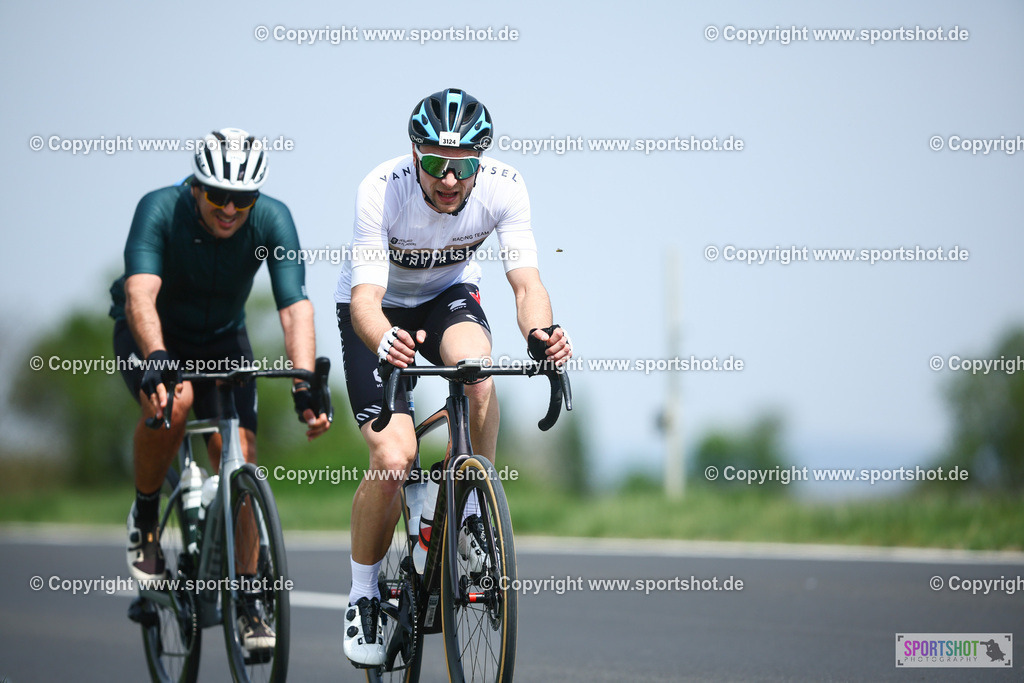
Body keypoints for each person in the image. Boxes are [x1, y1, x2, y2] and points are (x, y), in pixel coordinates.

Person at [334, 88, 572, 667]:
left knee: (478, 374)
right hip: (377, 310)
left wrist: (540, 334)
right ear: (414, 154)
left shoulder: (504, 187)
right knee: (395, 458)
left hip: (447, 296)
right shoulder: (380, 190)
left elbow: (526, 284)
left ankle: (469, 513)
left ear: (479, 163)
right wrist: (385, 338)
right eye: (434, 162)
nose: (446, 178)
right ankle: (364, 593)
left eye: (461, 165)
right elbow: (365, 299)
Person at [109, 127, 331, 652]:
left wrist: (305, 384)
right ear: (196, 187)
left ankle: (250, 597)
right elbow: (141, 293)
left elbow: (294, 305)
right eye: (218, 196)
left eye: (243, 199)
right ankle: (144, 517)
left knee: (241, 457)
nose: (230, 209)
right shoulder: (159, 209)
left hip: (222, 337)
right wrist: (157, 358)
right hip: (152, 330)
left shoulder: (272, 218)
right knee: (176, 402)